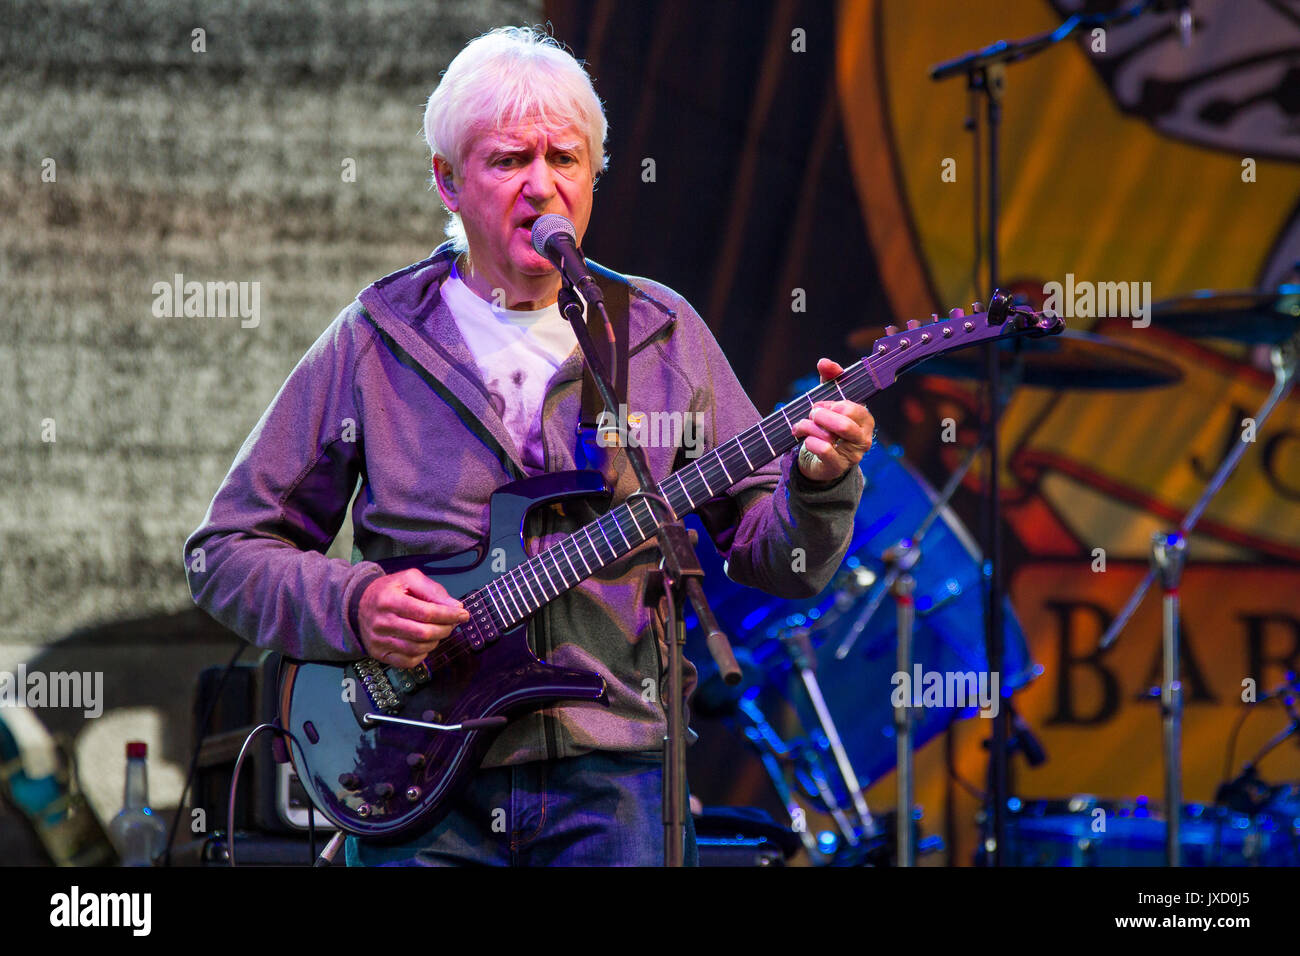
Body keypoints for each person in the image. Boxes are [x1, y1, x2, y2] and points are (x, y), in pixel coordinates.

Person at [184, 25, 874, 866]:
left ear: (594, 179)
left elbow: (782, 565)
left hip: (617, 780)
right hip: (412, 771)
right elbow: (225, 554)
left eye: (566, 160)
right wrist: (356, 604)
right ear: (447, 180)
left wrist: (818, 483)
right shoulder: (376, 340)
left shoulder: (660, 334)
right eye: (510, 160)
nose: (542, 187)